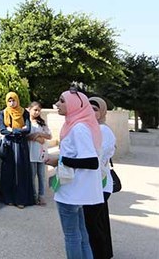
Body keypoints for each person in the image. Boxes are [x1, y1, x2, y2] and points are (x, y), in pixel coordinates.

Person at [45, 88, 103, 259]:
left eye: (62, 100)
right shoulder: (76, 125)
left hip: (72, 192)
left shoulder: (79, 128)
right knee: (81, 236)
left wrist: (61, 160)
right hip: (75, 191)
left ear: (74, 105)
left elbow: (91, 162)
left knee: (72, 237)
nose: (57, 104)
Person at [83, 96, 116, 259]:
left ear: (102, 112)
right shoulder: (92, 128)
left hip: (99, 185)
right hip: (96, 184)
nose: (90, 111)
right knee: (99, 222)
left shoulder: (102, 130)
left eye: (95, 109)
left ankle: (99, 254)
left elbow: (96, 157)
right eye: (88, 107)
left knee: (92, 224)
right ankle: (104, 252)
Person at [0, 92, 34, 208]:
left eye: (14, 100)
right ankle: (9, 198)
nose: (12, 103)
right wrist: (18, 130)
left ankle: (21, 200)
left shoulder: (24, 112)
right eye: (9, 101)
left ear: (17, 100)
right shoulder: (3, 113)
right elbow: (2, 130)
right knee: (9, 172)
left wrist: (12, 130)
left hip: (21, 145)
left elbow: (28, 129)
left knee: (21, 171)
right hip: (9, 145)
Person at [27, 101, 52, 205]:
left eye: (39, 110)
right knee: (32, 176)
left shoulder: (41, 123)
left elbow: (49, 135)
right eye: (35, 110)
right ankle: (33, 196)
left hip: (41, 153)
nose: (37, 112)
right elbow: (26, 136)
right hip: (30, 153)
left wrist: (38, 134)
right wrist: (36, 138)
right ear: (29, 109)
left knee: (41, 175)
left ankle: (41, 196)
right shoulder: (26, 122)